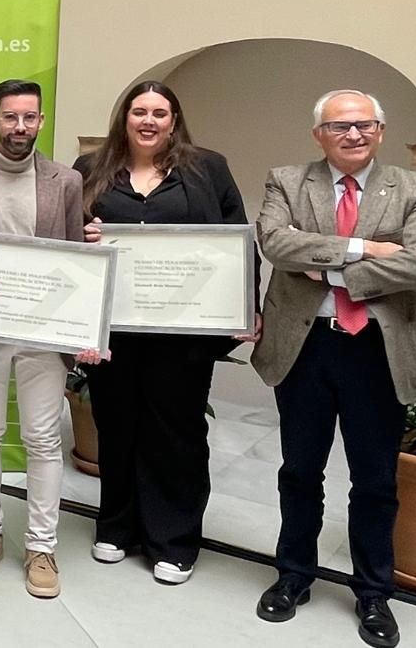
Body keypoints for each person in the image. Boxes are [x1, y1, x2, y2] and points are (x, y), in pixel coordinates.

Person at [251, 90, 416, 648]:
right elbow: (278, 245)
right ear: (319, 135)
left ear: (380, 130)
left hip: (378, 353)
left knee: (376, 480)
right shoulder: (287, 180)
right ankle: (293, 576)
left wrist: (332, 271)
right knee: (300, 471)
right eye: (340, 127)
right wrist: (369, 248)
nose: (353, 135)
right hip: (305, 346)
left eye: (364, 125)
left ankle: (373, 593)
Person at [75, 80, 260, 585]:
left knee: (176, 433)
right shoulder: (90, 170)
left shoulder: (207, 168)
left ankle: (173, 540)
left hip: (184, 333)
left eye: (160, 112)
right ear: (125, 118)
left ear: (174, 121)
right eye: (139, 111)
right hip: (114, 330)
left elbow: (239, 241)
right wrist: (84, 236)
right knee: (117, 428)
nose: (149, 121)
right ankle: (116, 527)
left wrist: (246, 308)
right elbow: (66, 241)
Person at [0, 79, 93, 599]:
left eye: (29, 117)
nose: (20, 127)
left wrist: (83, 331)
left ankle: (41, 545)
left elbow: (77, 259)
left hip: (44, 333)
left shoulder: (66, 181)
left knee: (43, 439)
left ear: (42, 121)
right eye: (10, 117)